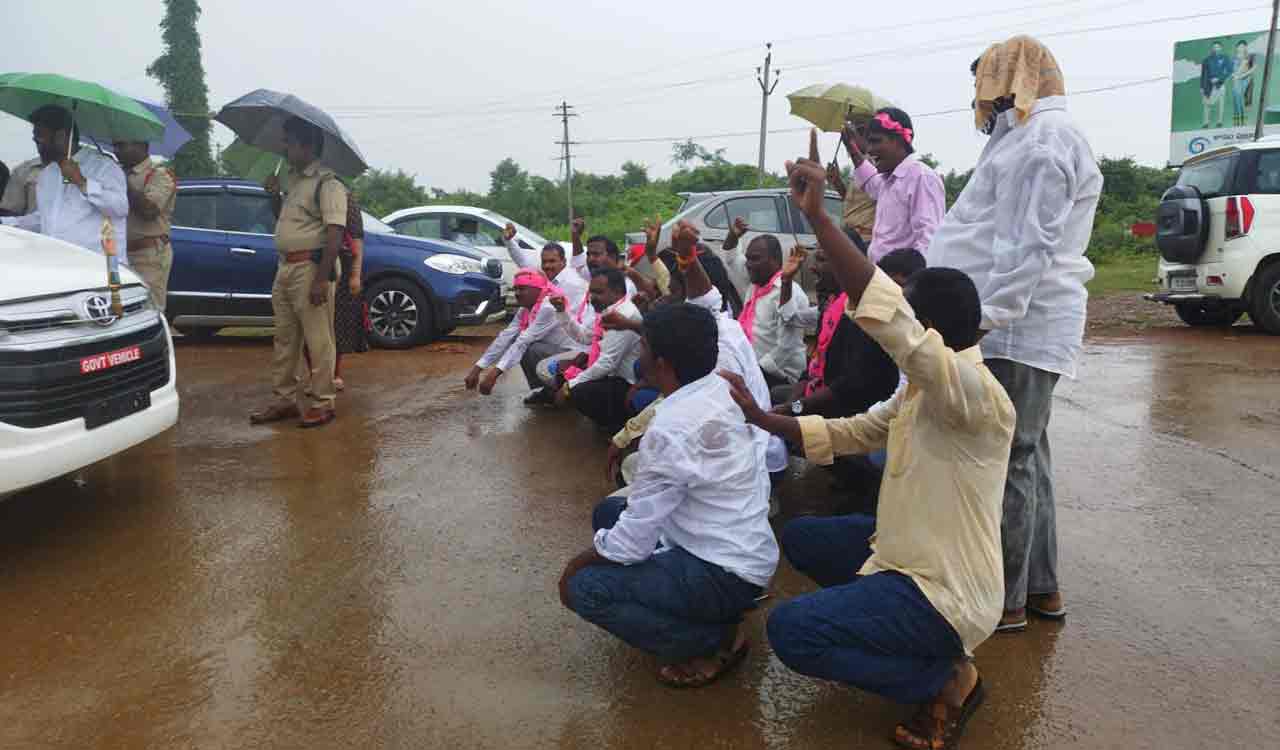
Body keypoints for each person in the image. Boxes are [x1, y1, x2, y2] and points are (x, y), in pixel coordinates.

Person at [724, 130, 1014, 749]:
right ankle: (886, 629)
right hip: (903, 553)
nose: (887, 320)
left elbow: (898, 328)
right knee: (801, 537)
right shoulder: (919, 390)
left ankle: (944, 675)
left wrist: (822, 221)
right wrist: (762, 417)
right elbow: (857, 430)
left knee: (793, 633)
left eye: (909, 311)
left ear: (931, 329)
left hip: (945, 590)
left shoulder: (977, 395)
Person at [932, 36, 1103, 633]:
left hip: (1018, 326)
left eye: (988, 84)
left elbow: (1029, 245)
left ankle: (1003, 599)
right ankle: (1042, 590)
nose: (982, 100)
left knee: (1011, 459)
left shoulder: (1045, 141)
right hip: (1015, 323)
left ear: (1016, 79)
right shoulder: (1024, 136)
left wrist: (982, 319)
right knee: (1030, 457)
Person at [559, 302, 779, 689]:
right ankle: (714, 613)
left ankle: (712, 641)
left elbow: (628, 546)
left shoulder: (672, 428)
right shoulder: (723, 385)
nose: (638, 355)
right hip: (746, 552)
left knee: (584, 588)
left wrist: (574, 566)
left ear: (661, 363)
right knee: (608, 513)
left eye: (642, 347)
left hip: (722, 570)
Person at [249, 116, 346, 429]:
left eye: (289, 142)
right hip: (286, 267)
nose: (284, 147)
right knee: (285, 338)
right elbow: (285, 219)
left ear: (307, 146)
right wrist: (274, 196)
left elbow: (335, 234)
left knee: (319, 340)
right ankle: (284, 400)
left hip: (311, 267)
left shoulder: (328, 183)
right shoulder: (293, 180)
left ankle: (323, 402)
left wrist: (321, 278)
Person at [1, 106, 128, 253]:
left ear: (61, 136)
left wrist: (82, 182)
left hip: (96, 264)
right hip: (59, 262)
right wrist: (7, 223)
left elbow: (120, 208)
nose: (38, 147)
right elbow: (46, 219)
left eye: (40, 140)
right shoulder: (47, 174)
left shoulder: (104, 167)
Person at [844, 107, 945, 264]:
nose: (869, 150)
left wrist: (913, 283)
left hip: (902, 281)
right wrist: (851, 148)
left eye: (876, 141)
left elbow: (929, 240)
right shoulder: (888, 179)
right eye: (869, 143)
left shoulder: (921, 177)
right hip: (883, 277)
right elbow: (869, 181)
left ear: (898, 140)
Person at [464, 268, 578, 402]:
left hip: (574, 356)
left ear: (538, 288)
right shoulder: (525, 308)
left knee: (529, 348)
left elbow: (523, 341)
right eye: (515, 289)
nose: (517, 293)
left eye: (522, 289)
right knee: (522, 345)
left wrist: (494, 374)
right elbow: (505, 337)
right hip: (554, 353)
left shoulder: (548, 307)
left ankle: (559, 390)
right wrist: (478, 368)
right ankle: (546, 391)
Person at [551, 267, 643, 433]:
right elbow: (584, 337)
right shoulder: (609, 311)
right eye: (591, 292)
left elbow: (607, 363)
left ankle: (615, 425)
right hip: (612, 375)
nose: (592, 298)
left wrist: (569, 387)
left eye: (598, 292)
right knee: (562, 372)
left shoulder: (625, 314)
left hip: (626, 382)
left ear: (616, 291)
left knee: (578, 391)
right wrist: (561, 312)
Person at [720, 227, 813, 388]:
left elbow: (786, 347)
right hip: (752, 368)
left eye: (755, 259)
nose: (748, 265)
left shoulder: (789, 293)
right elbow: (732, 257)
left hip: (780, 375)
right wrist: (733, 235)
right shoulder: (756, 283)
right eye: (748, 259)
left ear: (775, 260)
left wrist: (753, 373)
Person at [112, 140, 176, 312]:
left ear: (142, 146)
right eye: (114, 146)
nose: (116, 151)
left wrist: (122, 181)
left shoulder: (160, 175)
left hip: (147, 256)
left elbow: (149, 211)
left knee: (149, 310)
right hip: (118, 254)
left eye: (121, 145)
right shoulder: (115, 172)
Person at [824, 115, 876, 250]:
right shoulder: (859, 167)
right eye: (852, 130)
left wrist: (851, 145)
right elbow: (854, 202)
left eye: (858, 130)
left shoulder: (876, 163)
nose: (851, 134)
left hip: (865, 240)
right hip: (850, 237)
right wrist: (837, 182)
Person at [1201, 40, 1233, 129]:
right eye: (1214, 47)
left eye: (1218, 47)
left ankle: (1220, 121)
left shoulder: (1225, 58)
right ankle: (1206, 122)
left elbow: (1230, 71)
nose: (1216, 49)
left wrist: (1219, 79)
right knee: (1207, 104)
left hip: (1220, 84)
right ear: (1212, 48)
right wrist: (1202, 87)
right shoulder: (1207, 60)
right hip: (1208, 84)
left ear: (1221, 47)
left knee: (1221, 103)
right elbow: (1203, 74)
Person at [1231, 40, 1256, 128]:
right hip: (1236, 81)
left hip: (1247, 80)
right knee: (1236, 100)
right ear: (1236, 47)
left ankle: (1245, 122)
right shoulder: (1234, 58)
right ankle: (1237, 122)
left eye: (1242, 46)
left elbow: (1253, 69)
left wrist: (1241, 76)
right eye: (1239, 46)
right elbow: (1232, 71)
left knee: (1245, 102)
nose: (1240, 48)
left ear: (1246, 47)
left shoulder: (1250, 56)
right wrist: (1234, 75)